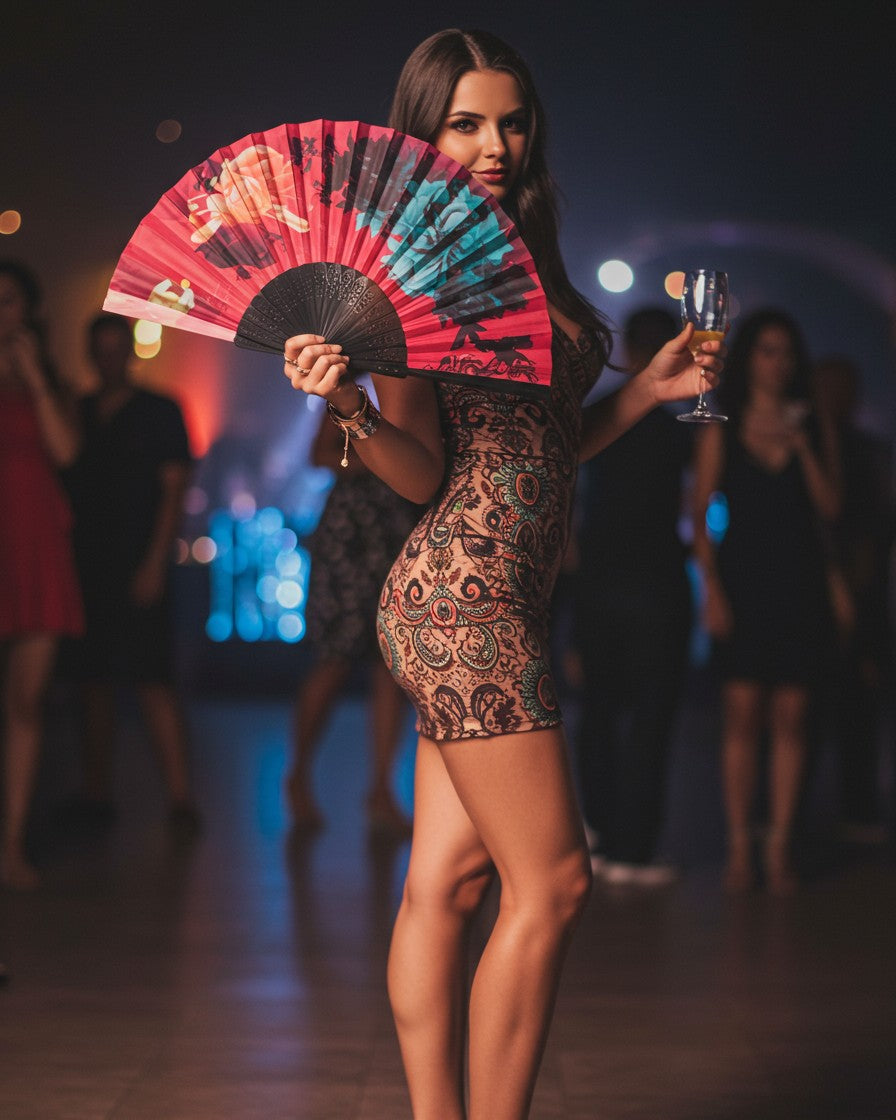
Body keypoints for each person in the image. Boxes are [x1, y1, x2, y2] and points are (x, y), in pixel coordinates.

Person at [281, 29, 724, 1120]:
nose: (493, 144)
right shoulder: (409, 269)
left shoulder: (521, 246)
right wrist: (345, 410)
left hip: (505, 590)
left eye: (510, 120)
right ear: (423, 129)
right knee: (556, 881)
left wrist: (641, 394)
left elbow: (537, 447)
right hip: (459, 596)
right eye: (466, 122)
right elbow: (425, 468)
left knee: (452, 880)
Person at [691, 309, 840, 897]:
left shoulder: (812, 422)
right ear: (748, 356)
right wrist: (712, 593)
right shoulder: (720, 427)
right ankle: (738, 846)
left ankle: (779, 844)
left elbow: (831, 510)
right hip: (743, 583)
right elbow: (700, 518)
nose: (778, 363)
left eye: (786, 352)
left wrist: (802, 445)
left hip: (799, 585)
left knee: (793, 718)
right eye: (767, 350)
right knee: (743, 715)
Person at [571, 307, 694, 885]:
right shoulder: (678, 425)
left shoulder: (603, 415)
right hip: (655, 578)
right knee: (649, 715)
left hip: (601, 577)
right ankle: (634, 846)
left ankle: (599, 831)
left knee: (599, 711)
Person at [63, 313, 199, 832]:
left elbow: (173, 491)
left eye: (118, 348)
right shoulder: (77, 411)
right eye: (101, 349)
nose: (110, 358)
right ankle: (95, 792)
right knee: (90, 679)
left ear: (130, 352)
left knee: (152, 678)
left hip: (139, 559)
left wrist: (155, 563)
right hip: (87, 562)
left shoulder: (161, 411)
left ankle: (182, 799)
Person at [285, 390, 420, 834]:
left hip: (397, 529)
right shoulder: (349, 392)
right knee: (334, 659)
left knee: (391, 668)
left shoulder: (419, 393)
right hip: (350, 537)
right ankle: (299, 773)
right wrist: (380, 457)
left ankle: (382, 789)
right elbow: (320, 455)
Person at [0, 260, 83, 890]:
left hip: (35, 542)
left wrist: (30, 374)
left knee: (27, 704)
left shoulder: (44, 378)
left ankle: (12, 844)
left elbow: (66, 452)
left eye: (11, 301)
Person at [812, 355, 893, 842]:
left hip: (863, 594)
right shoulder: (814, 445)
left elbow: (879, 526)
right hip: (810, 589)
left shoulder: (866, 451)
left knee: (860, 703)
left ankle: (859, 807)